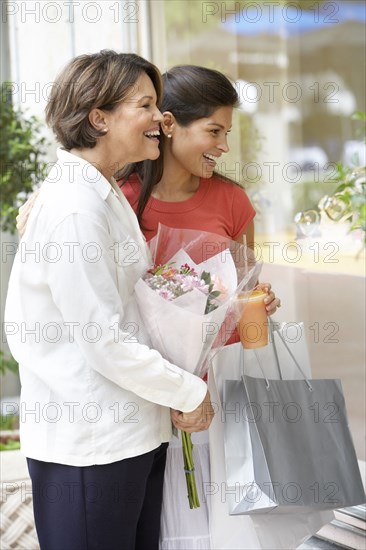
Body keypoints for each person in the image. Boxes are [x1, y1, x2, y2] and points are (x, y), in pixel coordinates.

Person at [5, 51, 215, 550]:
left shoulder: (100, 192)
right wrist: (189, 392)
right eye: (145, 105)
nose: (160, 122)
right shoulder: (76, 208)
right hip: (91, 446)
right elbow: (104, 341)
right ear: (99, 118)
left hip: (128, 437)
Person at [117, 65, 280, 550]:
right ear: (169, 125)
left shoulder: (233, 201)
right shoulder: (120, 201)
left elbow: (245, 296)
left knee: (226, 532)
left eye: (226, 132)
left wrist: (260, 305)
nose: (223, 146)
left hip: (221, 400)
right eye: (214, 130)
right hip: (149, 397)